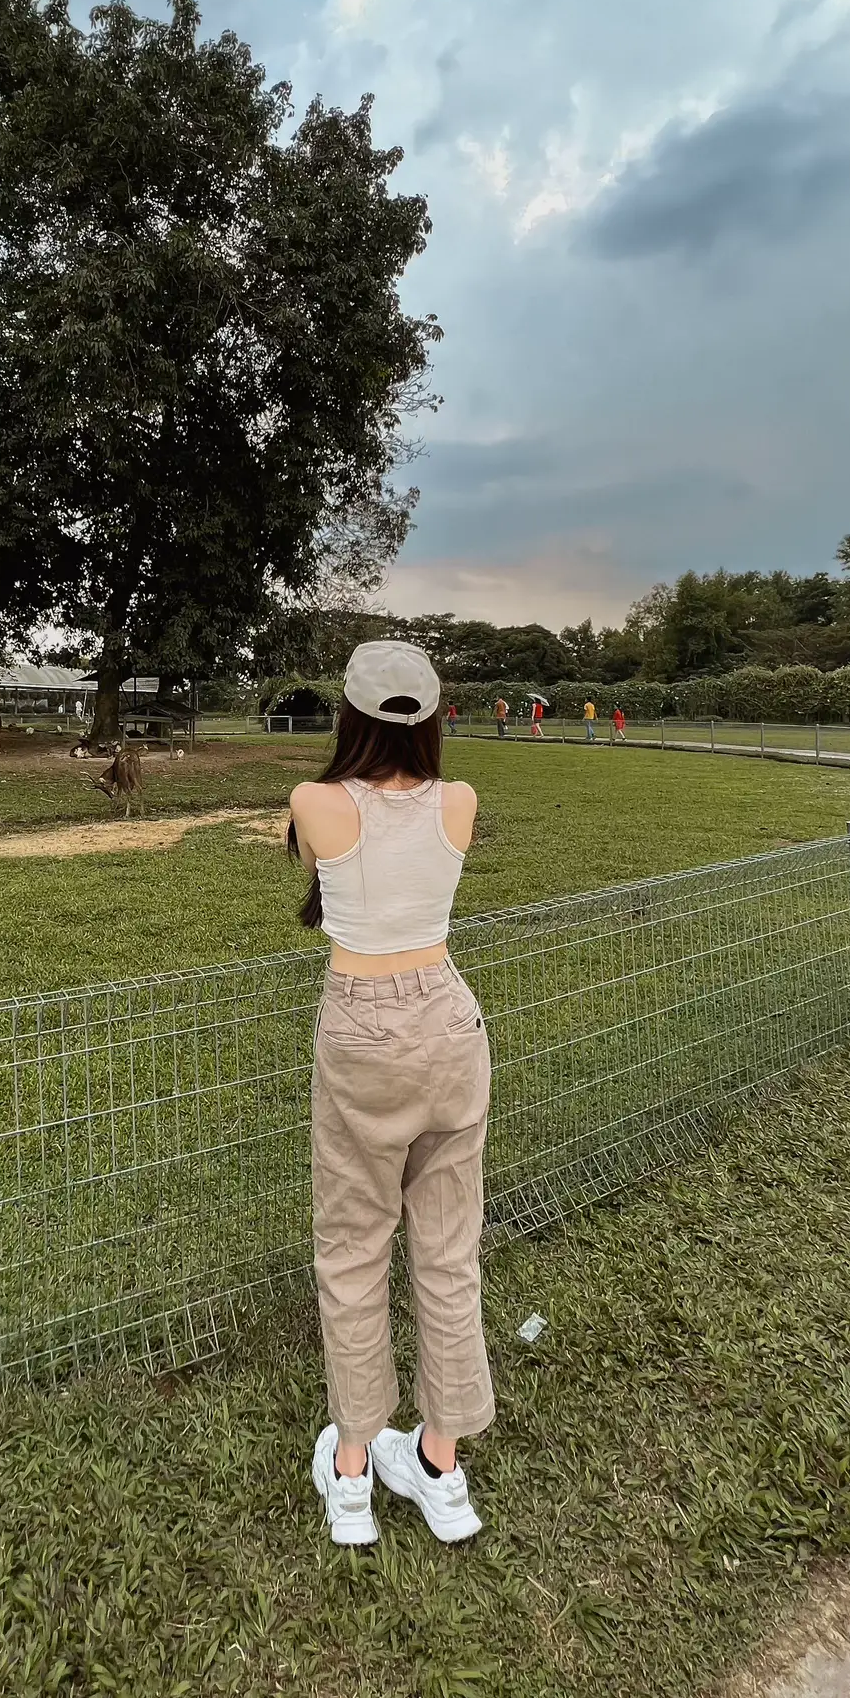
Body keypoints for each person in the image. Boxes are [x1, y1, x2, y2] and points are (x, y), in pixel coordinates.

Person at [288, 640, 491, 1548]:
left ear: (351, 714)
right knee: (447, 1250)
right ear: (434, 716)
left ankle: (354, 1468)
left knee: (353, 1246)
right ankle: (440, 1467)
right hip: (449, 1022)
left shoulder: (315, 803)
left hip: (363, 1028)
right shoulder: (460, 802)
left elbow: (317, 871)